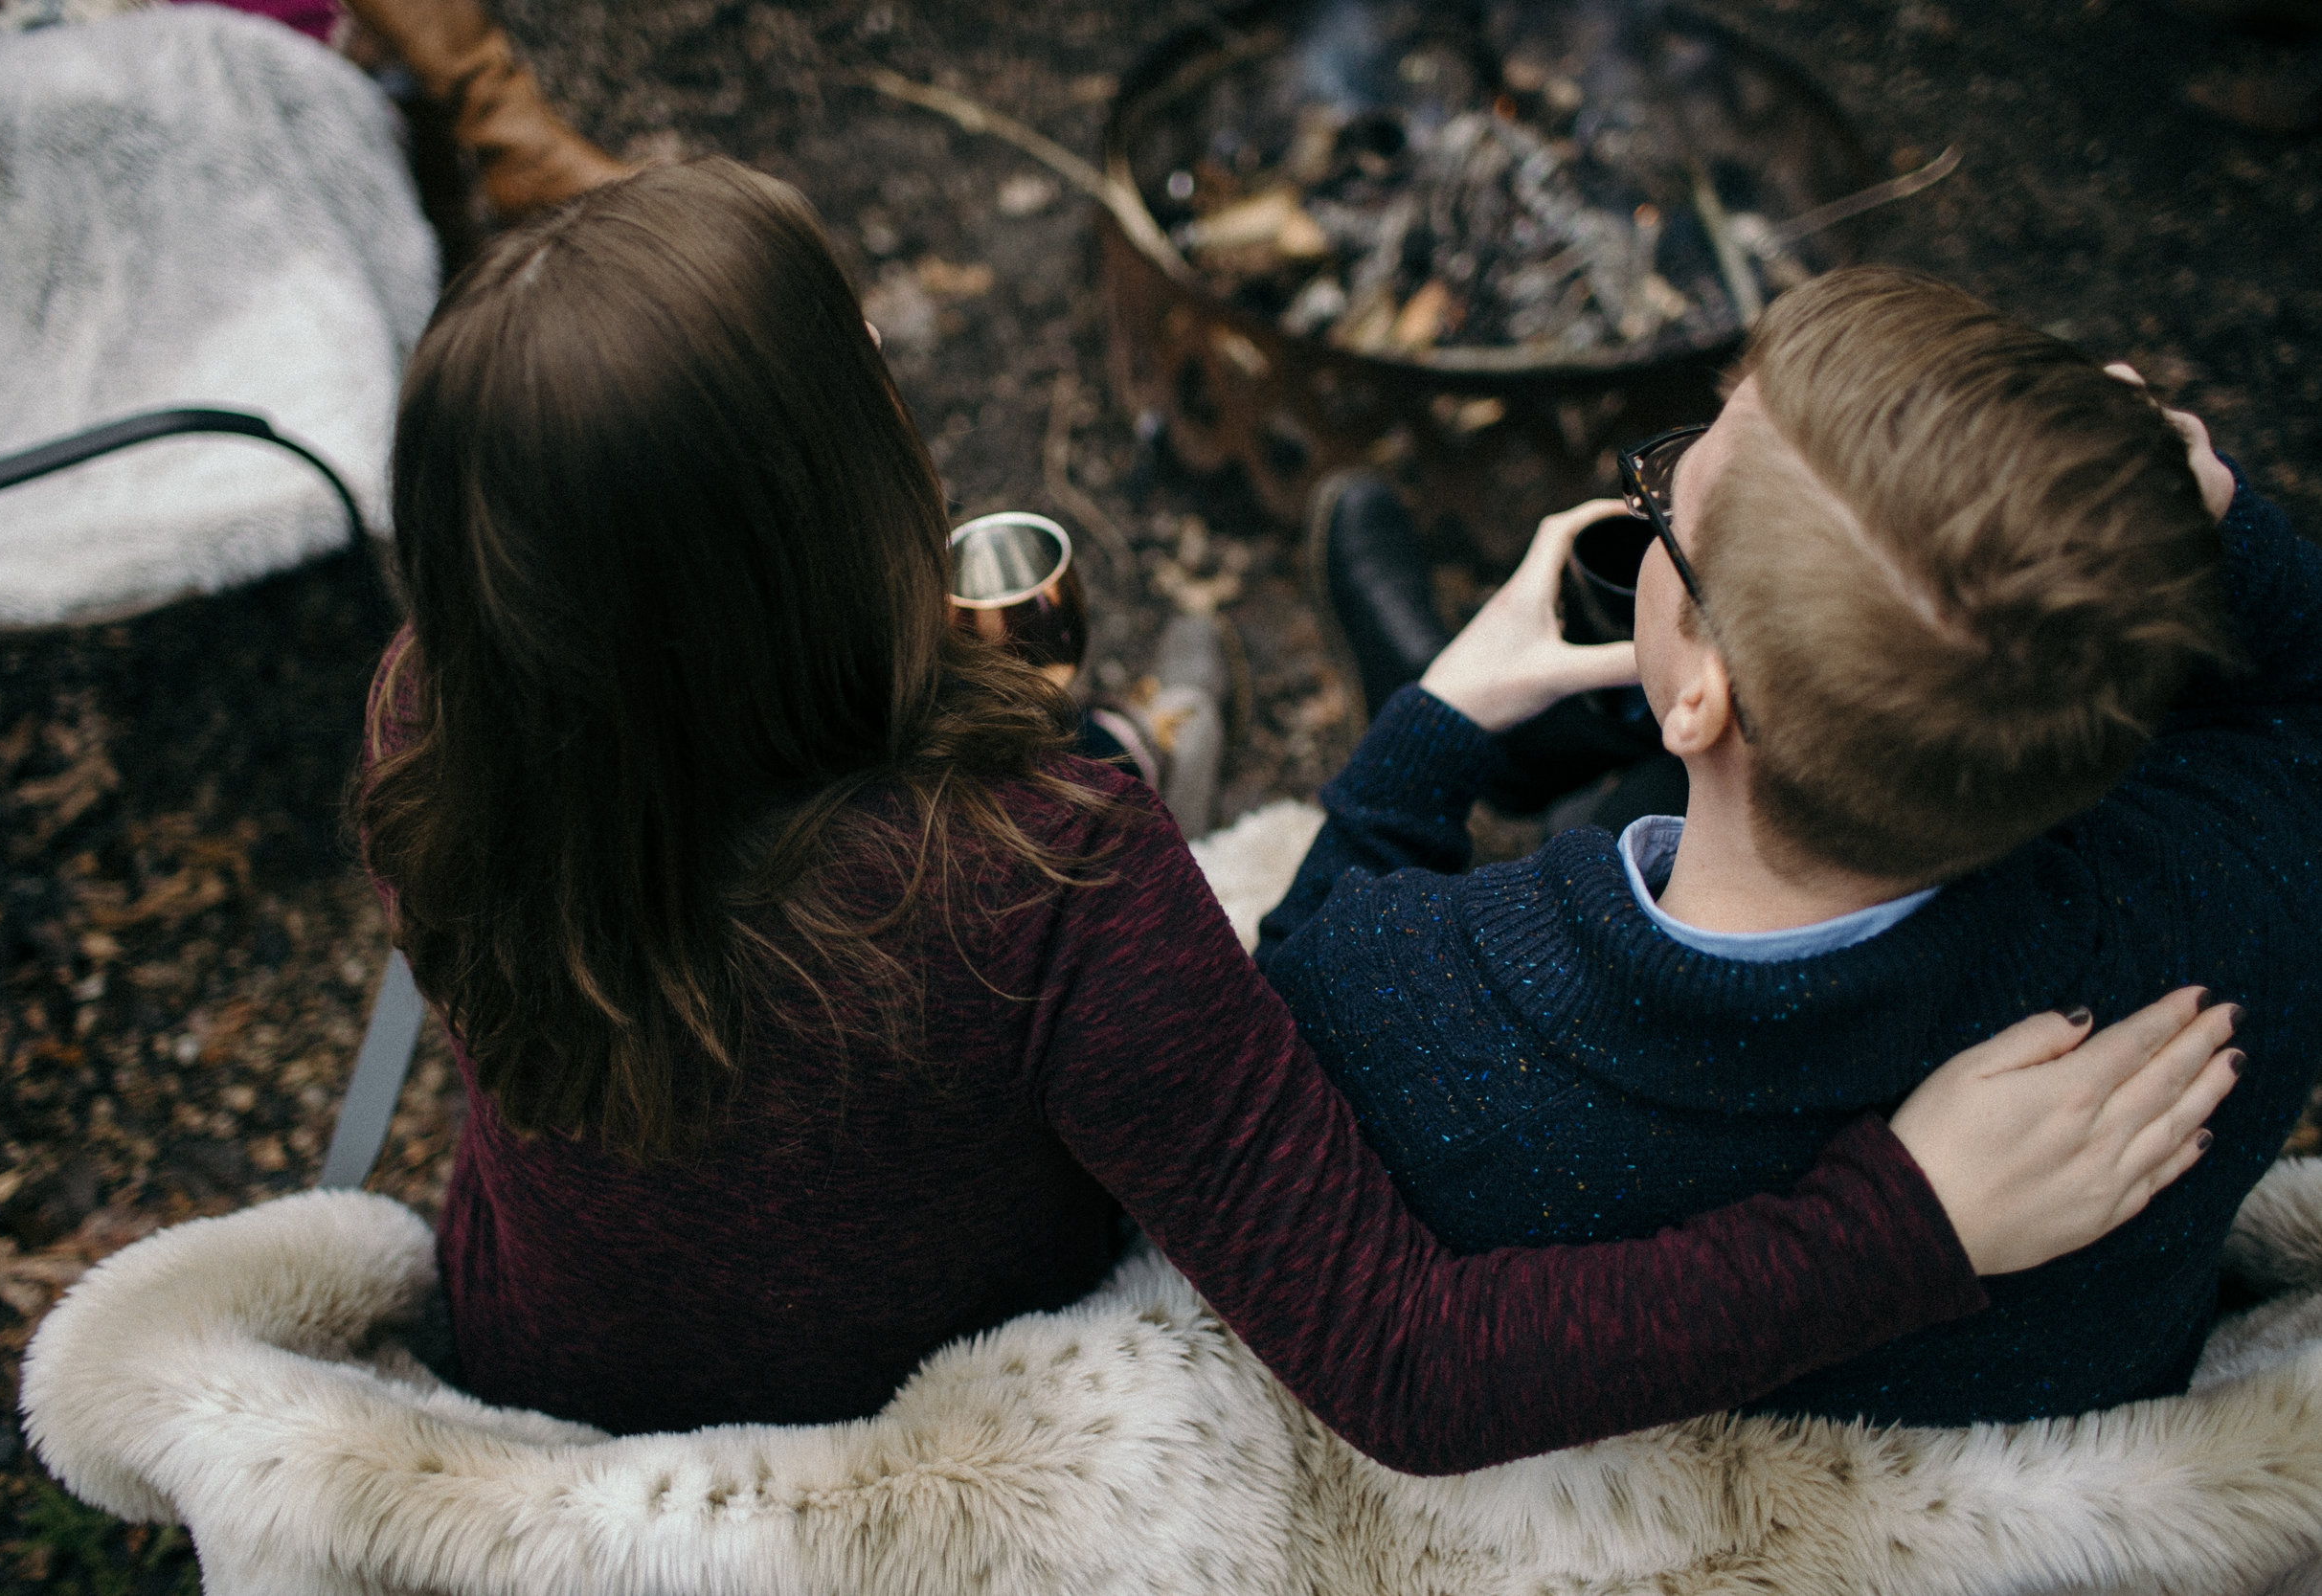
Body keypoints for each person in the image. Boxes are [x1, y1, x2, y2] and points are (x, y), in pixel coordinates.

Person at [354, 163, 2238, 1472]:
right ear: (824, 498)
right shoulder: (1050, 863)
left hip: (543, 1335)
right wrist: (1900, 1218)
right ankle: (1414, 683)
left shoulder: (436, 713)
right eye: (863, 356)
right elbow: (1406, 1359)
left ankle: (1412, 674)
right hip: (874, 1401)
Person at [1265, 265, 2317, 1427]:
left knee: (1602, 814)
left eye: (1665, 499)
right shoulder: (2244, 901)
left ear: (1705, 695)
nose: (1651, 494)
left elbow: (1266, 1038)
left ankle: (1522, 750)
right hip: (2034, 1428)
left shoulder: (1429, 1009)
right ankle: (1585, 757)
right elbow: (2294, 688)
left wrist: (1432, 728)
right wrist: (2192, 522)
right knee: (1631, 794)